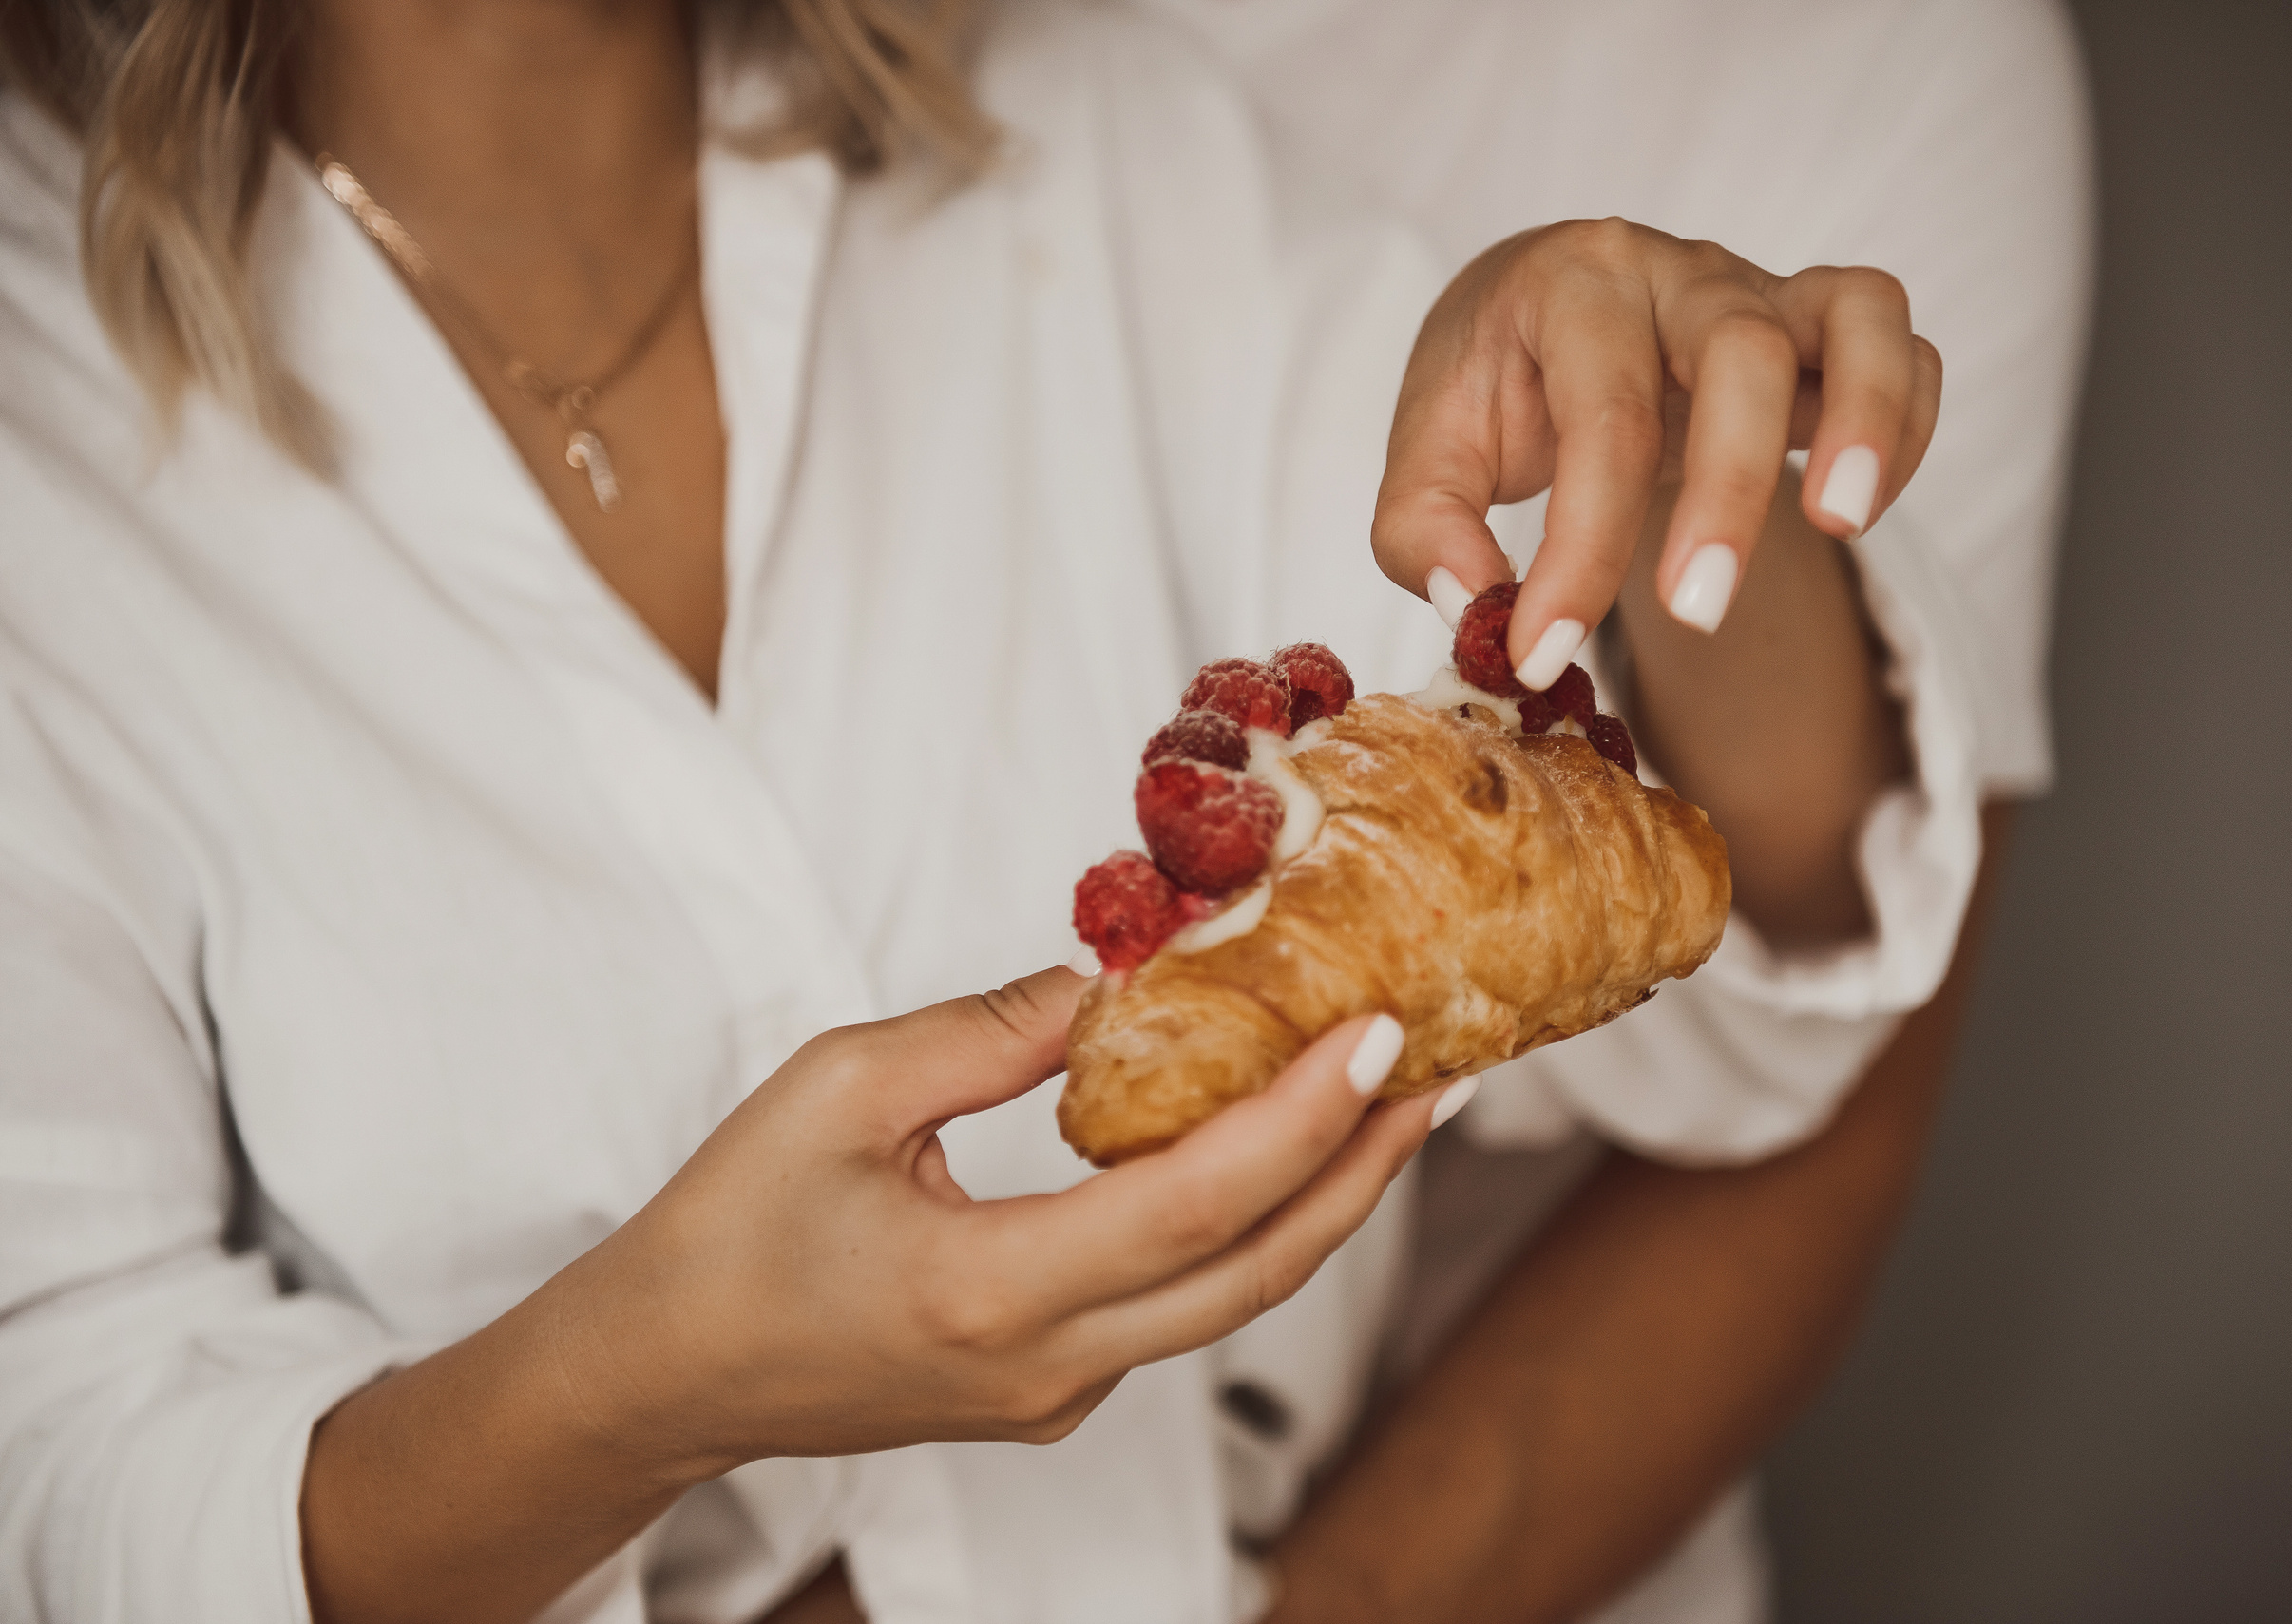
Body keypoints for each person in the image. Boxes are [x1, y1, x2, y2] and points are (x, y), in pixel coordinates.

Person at [0, 3, 2089, 1623]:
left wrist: (1702, 482)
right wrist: (644, 1384)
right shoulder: (37, 428)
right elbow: (60, 1482)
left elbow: (1728, 1002)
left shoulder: (1096, 144)